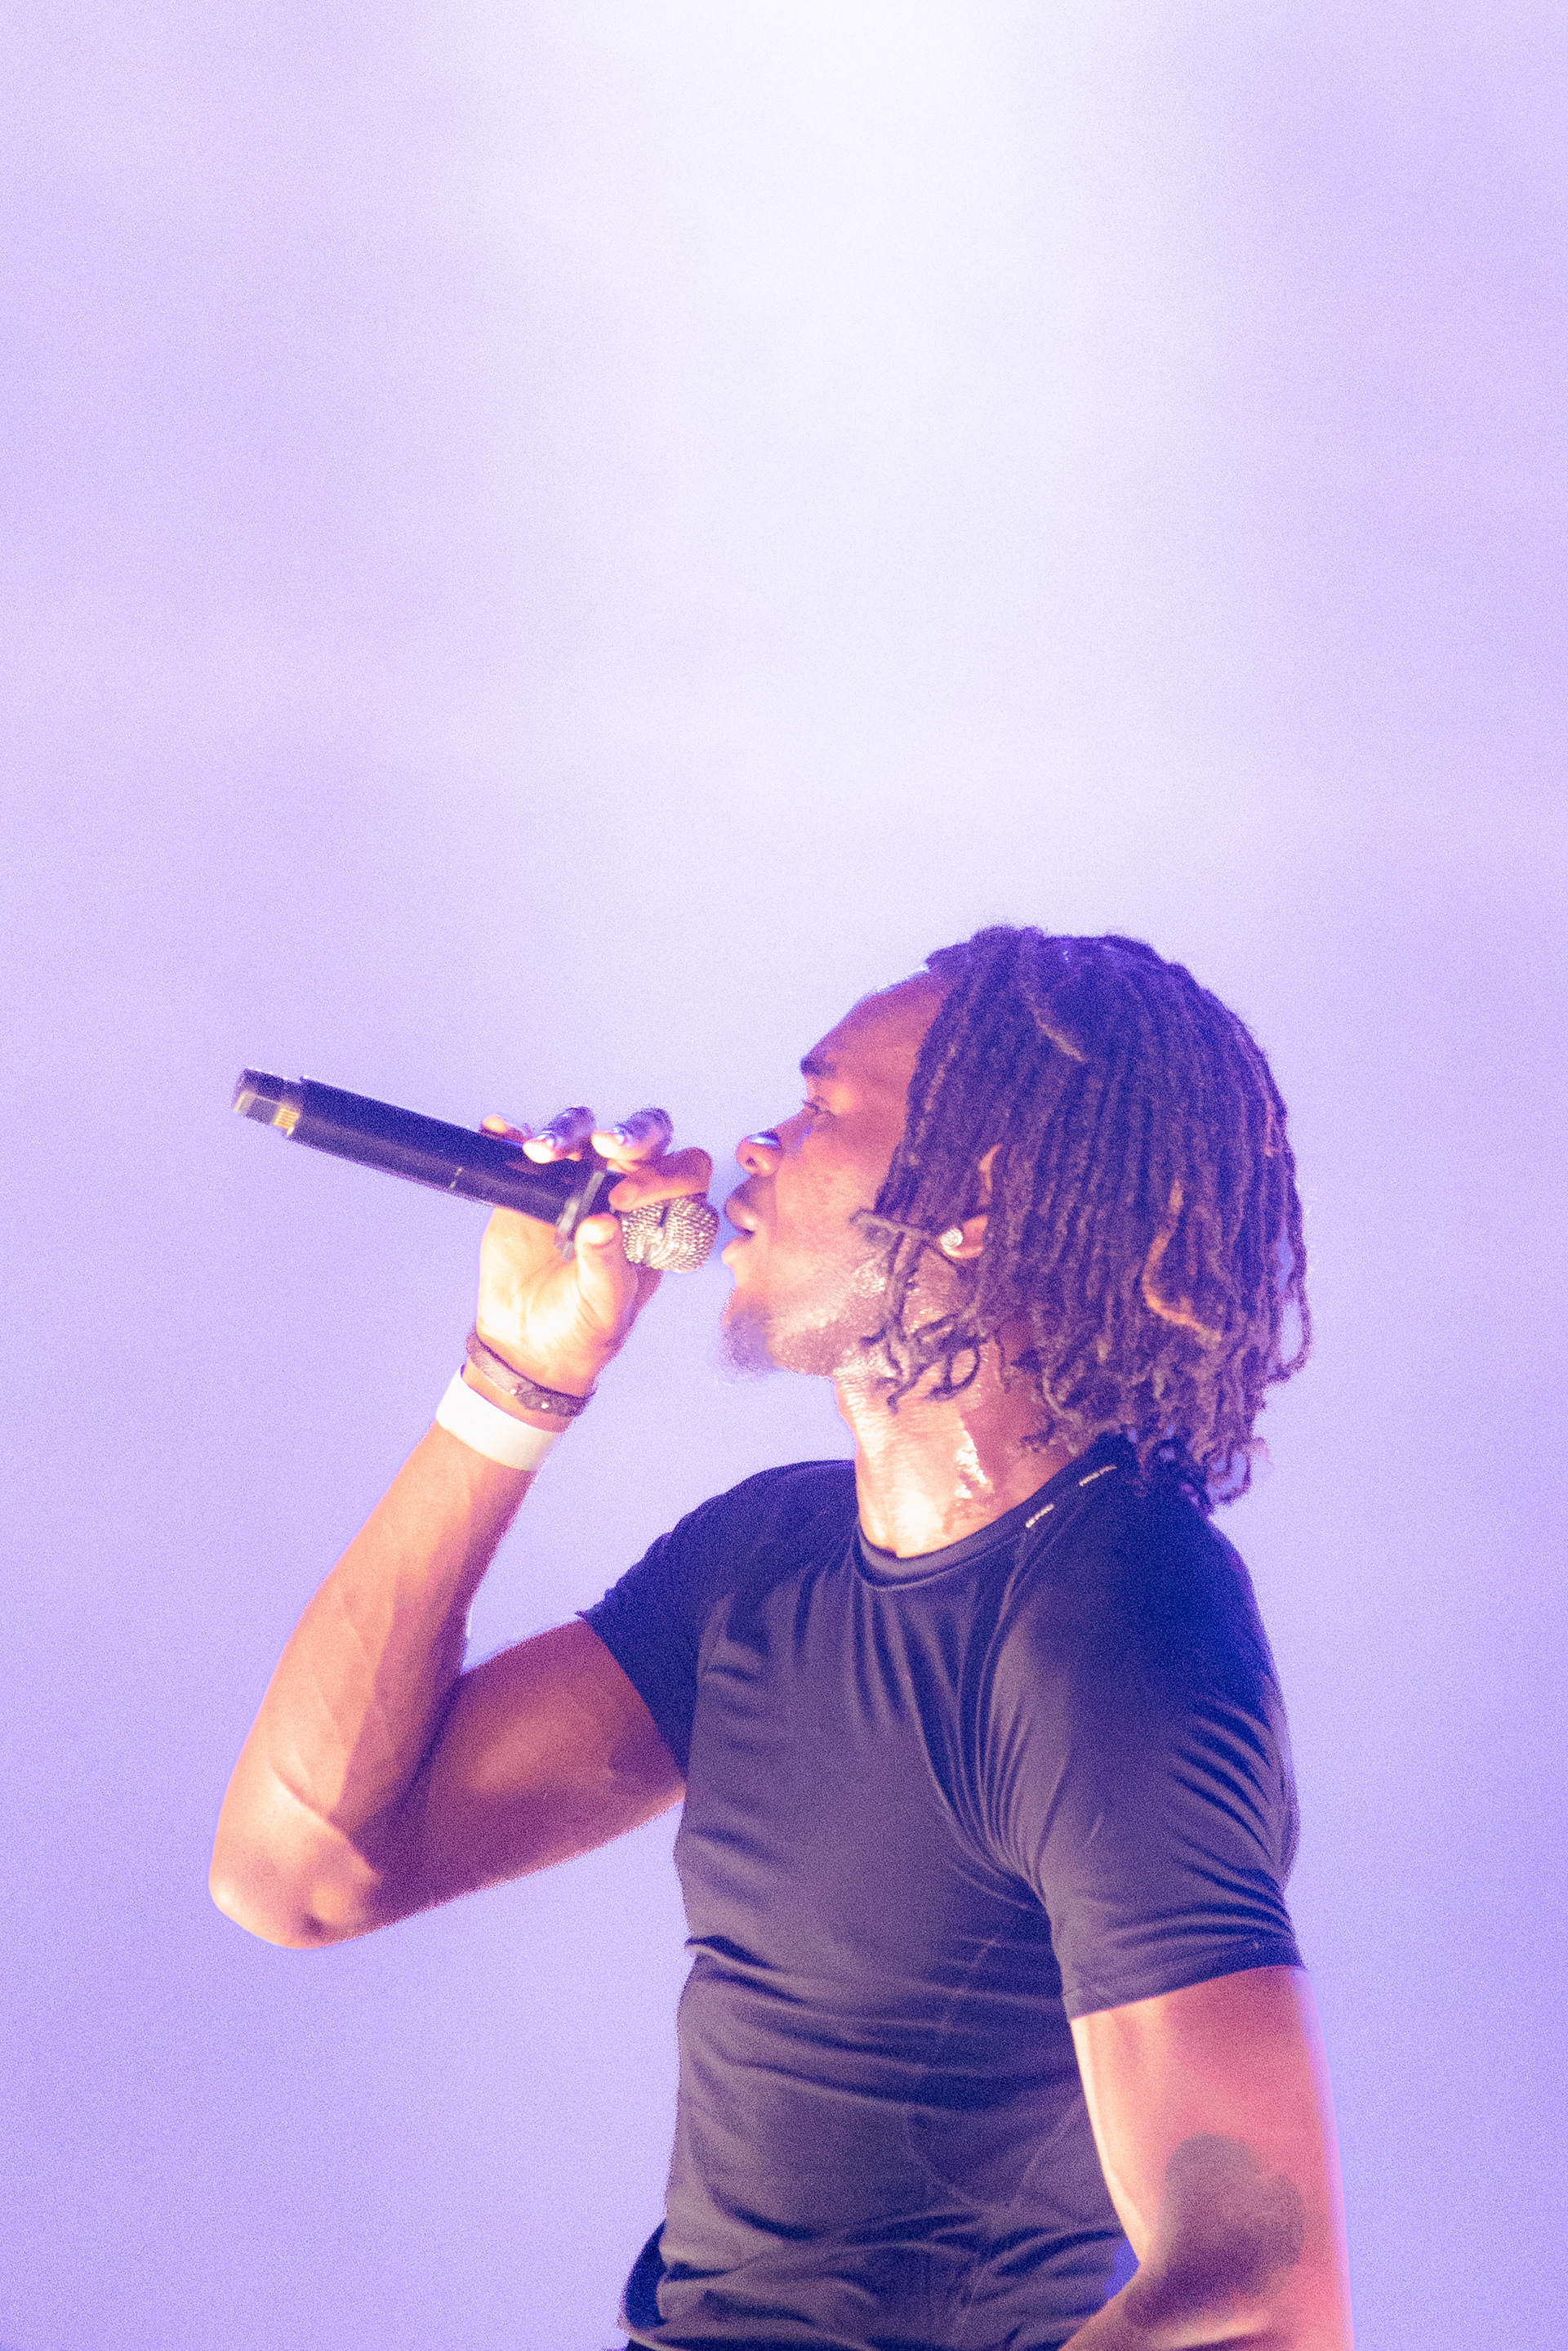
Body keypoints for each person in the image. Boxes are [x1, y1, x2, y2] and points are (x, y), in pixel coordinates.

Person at [212, 926, 1353, 2351]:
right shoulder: (763, 1563)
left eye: (819, 1110)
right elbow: (300, 1870)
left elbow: (1260, 2305)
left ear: (977, 1196)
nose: (754, 1145)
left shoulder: (1114, 1624)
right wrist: (516, 1376)